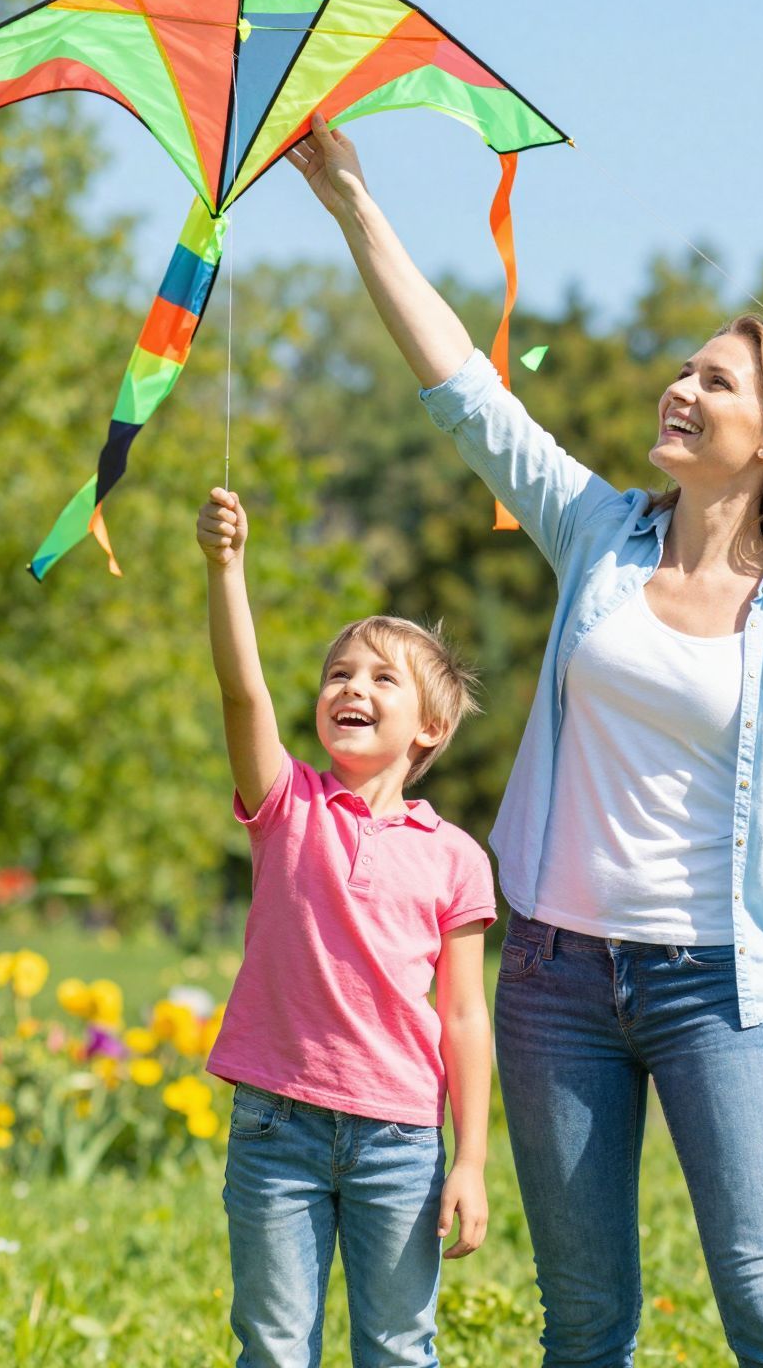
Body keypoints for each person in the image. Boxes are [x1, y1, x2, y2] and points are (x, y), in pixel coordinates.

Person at [289, 113, 763, 1367]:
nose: (681, 388)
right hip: (554, 977)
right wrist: (354, 206)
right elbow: (465, 394)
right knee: (585, 1323)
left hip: (717, 986)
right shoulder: (597, 535)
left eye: (715, 381)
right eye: (685, 369)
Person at [198, 486, 496, 1368]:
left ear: (430, 727)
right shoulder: (288, 804)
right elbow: (241, 689)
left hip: (401, 1141)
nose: (350, 687)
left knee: (400, 1347)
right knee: (274, 1346)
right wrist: (227, 569)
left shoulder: (454, 857)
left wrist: (471, 1159)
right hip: (275, 1129)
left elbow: (466, 1018)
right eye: (338, 674)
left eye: (379, 677)